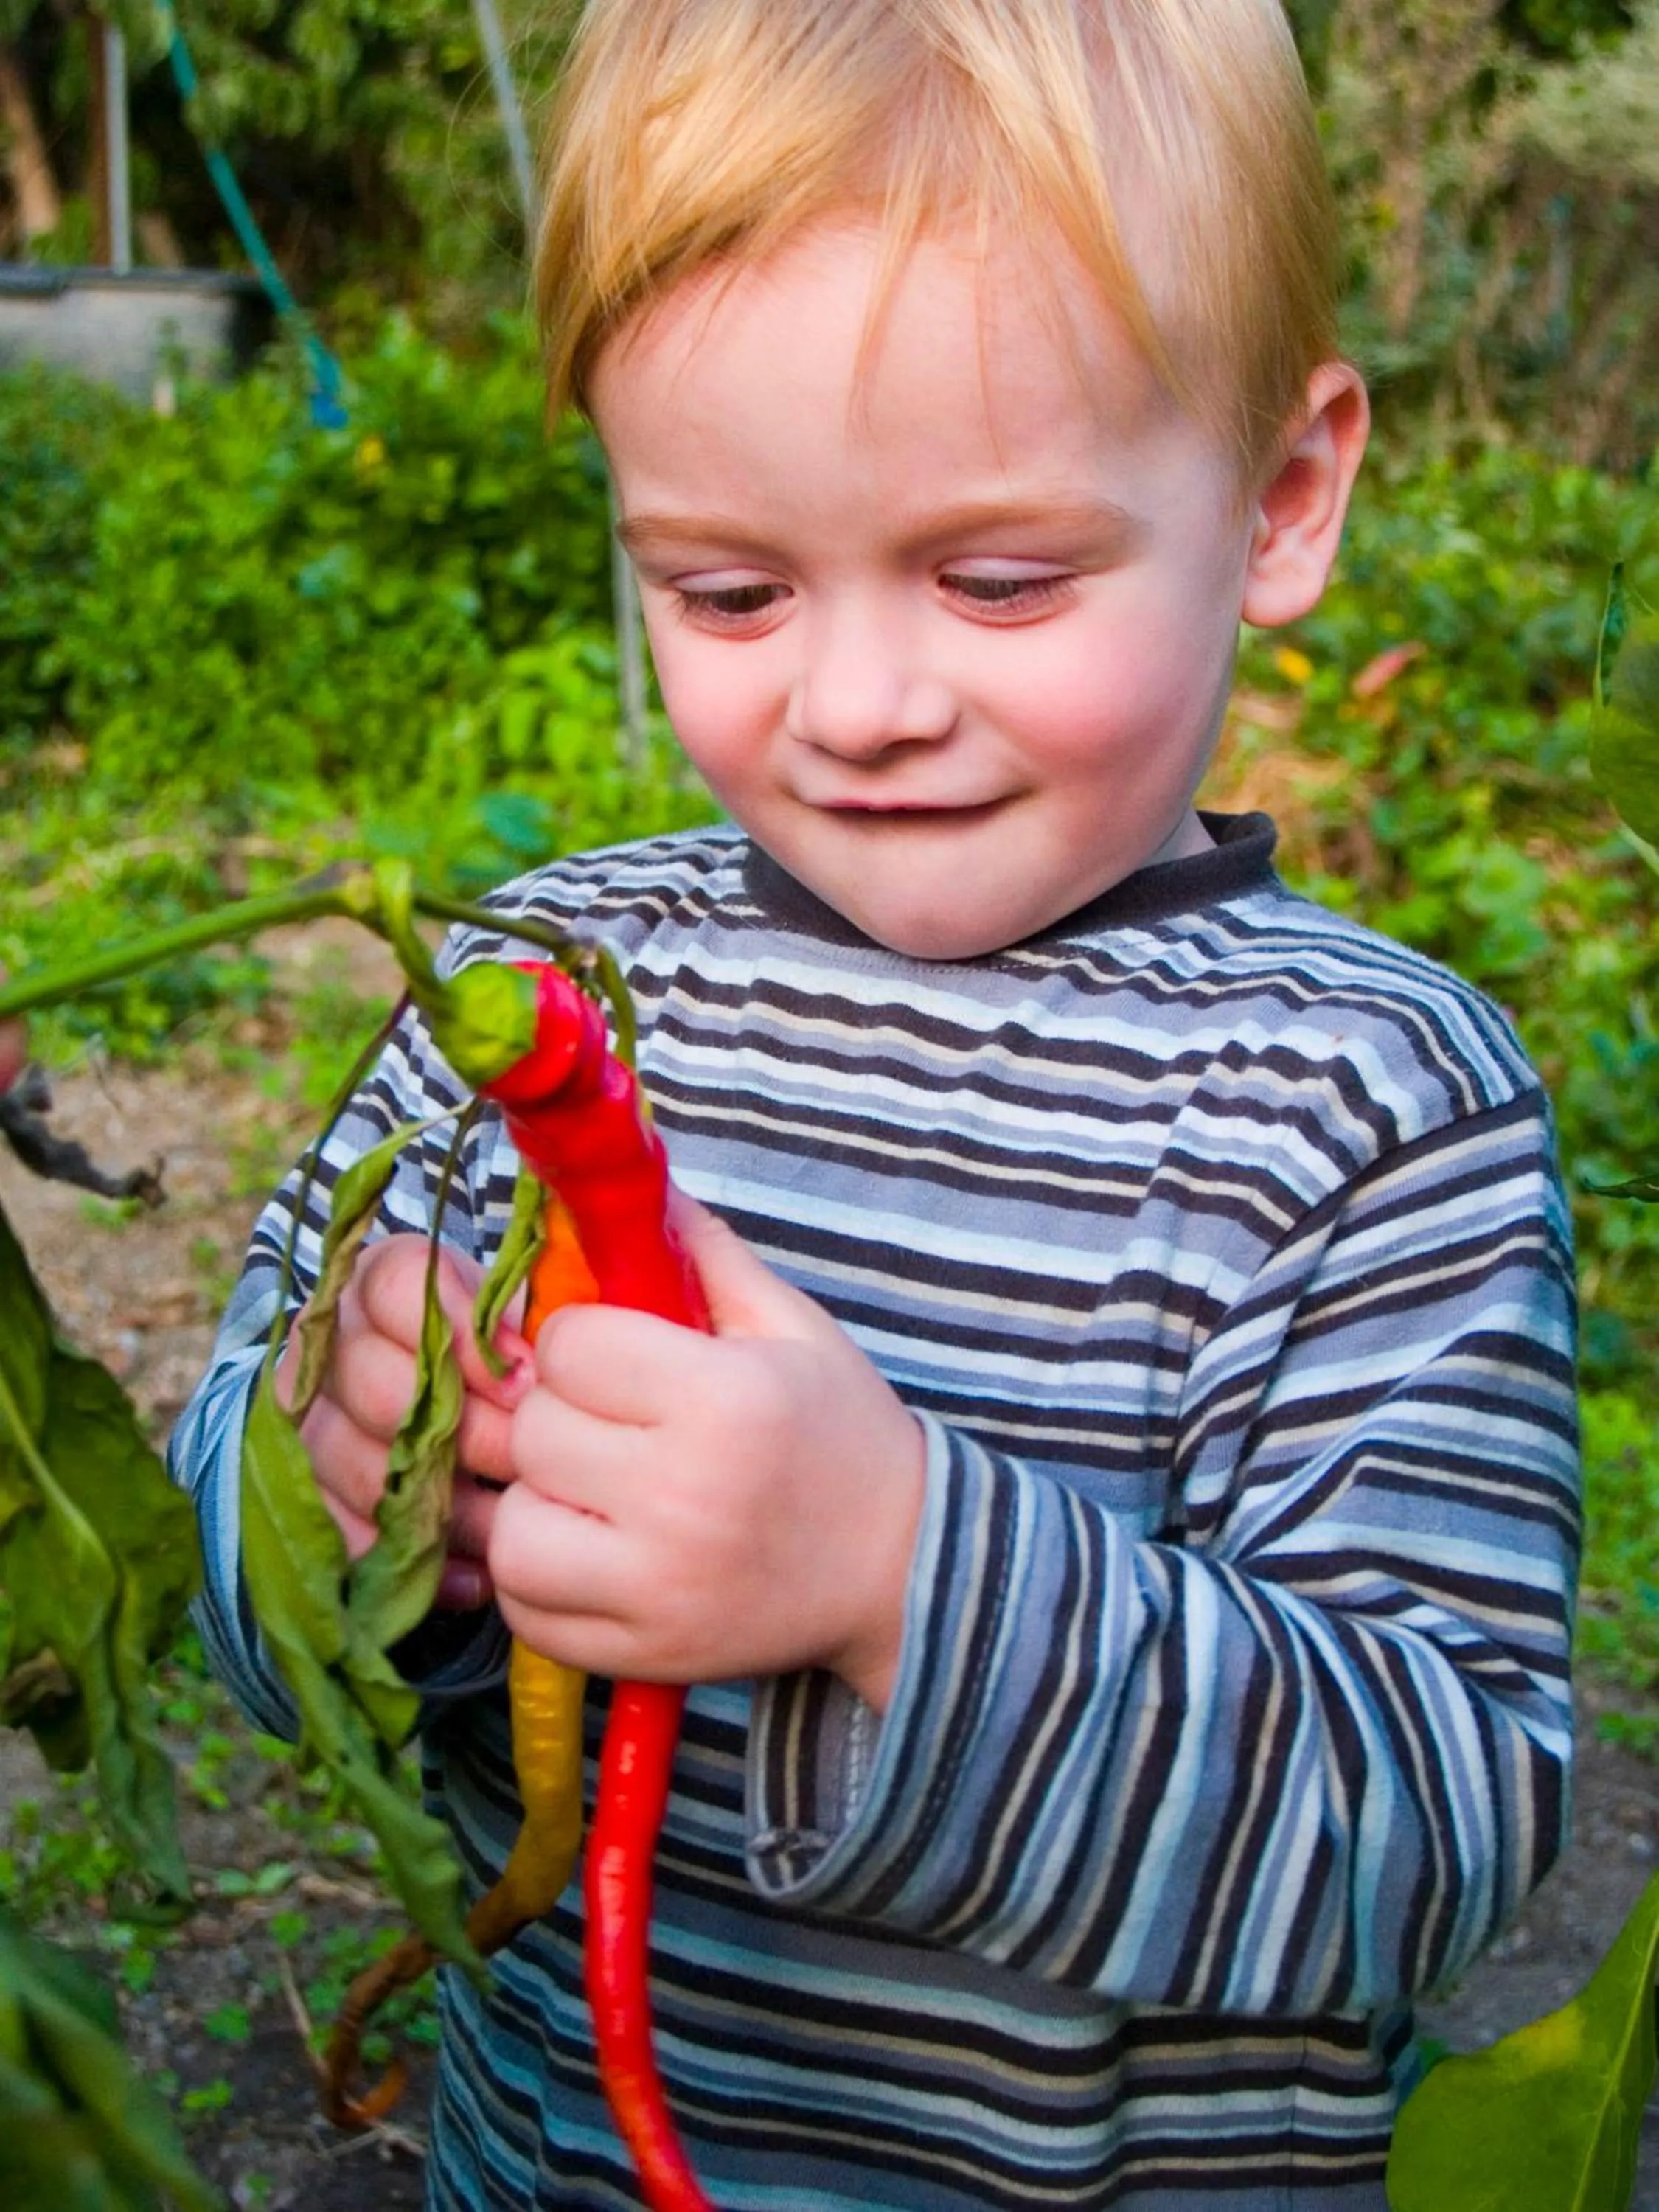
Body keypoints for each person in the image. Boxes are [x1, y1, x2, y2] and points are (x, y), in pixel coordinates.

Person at [168, 2, 1579, 2205]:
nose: (860, 703)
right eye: (727, 590)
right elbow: (230, 1529)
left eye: (1000, 578)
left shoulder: (1364, 1110)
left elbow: (1432, 1837)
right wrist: (355, 1506)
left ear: (1283, 500)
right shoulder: (526, 1000)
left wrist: (897, 1572)